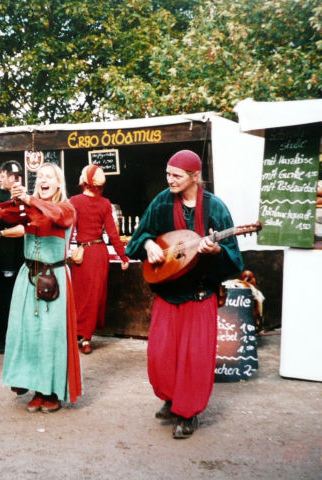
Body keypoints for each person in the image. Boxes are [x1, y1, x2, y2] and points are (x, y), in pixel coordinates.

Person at [125, 150, 243, 439]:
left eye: (176, 175)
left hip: (200, 293)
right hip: (168, 291)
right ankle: (171, 397)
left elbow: (235, 259)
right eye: (168, 174)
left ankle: (187, 413)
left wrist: (216, 251)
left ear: (194, 176)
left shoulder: (215, 208)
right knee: (161, 354)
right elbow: (139, 237)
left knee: (195, 357)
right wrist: (149, 244)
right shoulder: (162, 200)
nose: (170, 180)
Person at [0, 162, 82, 413]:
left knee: (51, 336)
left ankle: (51, 391)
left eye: (48, 176)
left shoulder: (66, 207)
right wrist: (14, 199)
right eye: (39, 176)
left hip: (54, 278)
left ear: (58, 183)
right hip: (28, 276)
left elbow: (57, 216)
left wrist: (29, 199)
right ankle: (35, 388)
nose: (43, 179)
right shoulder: (30, 206)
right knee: (28, 335)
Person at [69, 164, 129, 354]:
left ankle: (82, 335)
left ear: (86, 179)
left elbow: (67, 229)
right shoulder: (104, 203)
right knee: (91, 296)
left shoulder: (74, 201)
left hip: (85, 253)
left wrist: (123, 255)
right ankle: (83, 336)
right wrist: (123, 256)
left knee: (82, 295)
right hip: (97, 252)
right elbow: (113, 233)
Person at [0, 160, 25, 354]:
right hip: (2, 255)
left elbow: (24, 225)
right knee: (1, 296)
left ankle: (13, 338)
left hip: (19, 255)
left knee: (16, 298)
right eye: (10, 175)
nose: (12, 179)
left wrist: (4, 229)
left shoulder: (24, 197)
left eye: (16, 176)